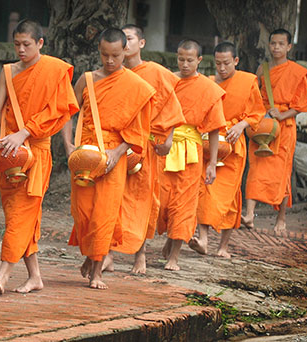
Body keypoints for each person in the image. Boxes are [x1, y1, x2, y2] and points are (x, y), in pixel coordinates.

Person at [0, 20, 77, 295]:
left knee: (21, 213)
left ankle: (3, 273)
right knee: (19, 214)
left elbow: (59, 111)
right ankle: (35, 276)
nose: (21, 50)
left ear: (40, 43)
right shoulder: (8, 71)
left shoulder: (54, 70)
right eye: (17, 45)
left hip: (36, 150)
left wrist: (24, 132)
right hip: (9, 151)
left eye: (27, 44)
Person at [61, 28, 155, 289]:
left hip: (114, 155)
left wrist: (118, 151)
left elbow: (140, 130)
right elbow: (68, 112)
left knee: (105, 211)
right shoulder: (88, 79)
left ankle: (97, 271)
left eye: (115, 55)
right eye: (105, 55)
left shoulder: (137, 87)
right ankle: (92, 258)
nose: (110, 61)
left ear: (125, 51)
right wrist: (68, 145)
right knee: (83, 211)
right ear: (99, 52)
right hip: (85, 153)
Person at [101, 24, 186, 274]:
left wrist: (168, 138)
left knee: (142, 202)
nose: (125, 45)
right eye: (122, 40)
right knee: (112, 201)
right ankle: (107, 253)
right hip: (116, 146)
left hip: (145, 148)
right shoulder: (113, 74)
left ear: (141, 43)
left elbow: (171, 107)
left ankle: (140, 253)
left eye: (129, 39)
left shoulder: (156, 73)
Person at [190, 41, 265, 258]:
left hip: (233, 146)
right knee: (205, 191)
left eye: (226, 63)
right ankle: (203, 239)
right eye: (218, 64)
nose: (222, 68)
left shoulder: (247, 81)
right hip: (209, 144)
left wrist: (242, 125)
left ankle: (223, 246)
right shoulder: (208, 83)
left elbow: (257, 112)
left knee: (230, 195)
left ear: (236, 61)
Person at [156, 39, 226, 271]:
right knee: (161, 201)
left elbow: (215, 128)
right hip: (165, 148)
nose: (184, 64)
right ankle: (169, 238)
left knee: (184, 205)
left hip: (191, 154)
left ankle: (174, 257)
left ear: (199, 60)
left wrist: (212, 164)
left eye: (189, 60)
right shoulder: (168, 81)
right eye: (180, 59)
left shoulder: (208, 89)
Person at [242, 29, 307, 235]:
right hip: (263, 125)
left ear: (289, 47)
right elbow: (254, 97)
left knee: (282, 173)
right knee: (255, 167)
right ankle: (249, 215)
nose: (276, 47)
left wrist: (281, 115)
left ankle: (280, 218)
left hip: (284, 128)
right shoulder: (262, 69)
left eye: (281, 44)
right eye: (273, 43)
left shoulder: (297, 72)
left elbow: (303, 104)